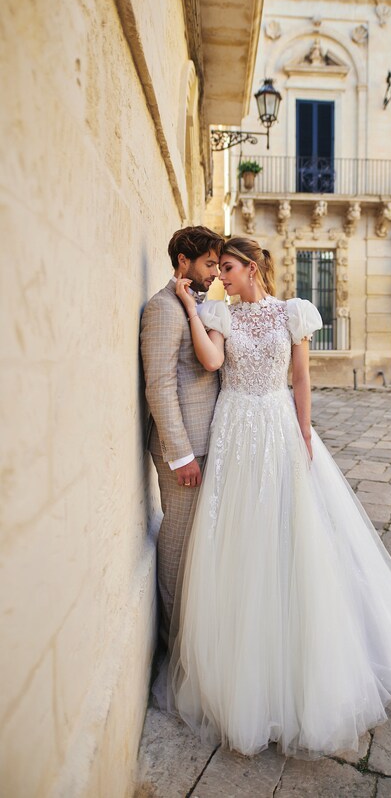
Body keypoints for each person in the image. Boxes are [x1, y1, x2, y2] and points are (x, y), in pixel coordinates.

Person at [169, 237, 391, 758]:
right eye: (218, 269)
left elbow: (301, 378)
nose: (222, 276)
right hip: (236, 425)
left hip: (280, 424)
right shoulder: (218, 310)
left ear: (253, 268)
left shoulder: (293, 312)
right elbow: (213, 362)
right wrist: (195, 311)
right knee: (241, 534)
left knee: (294, 529)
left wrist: (305, 433)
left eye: (229, 267)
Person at [140, 225, 224, 647]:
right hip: (185, 453)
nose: (215, 273)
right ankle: (174, 643)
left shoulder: (195, 305)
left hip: (210, 446)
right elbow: (158, 386)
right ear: (183, 262)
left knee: (199, 544)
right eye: (209, 264)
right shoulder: (162, 309)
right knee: (177, 543)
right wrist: (181, 456)